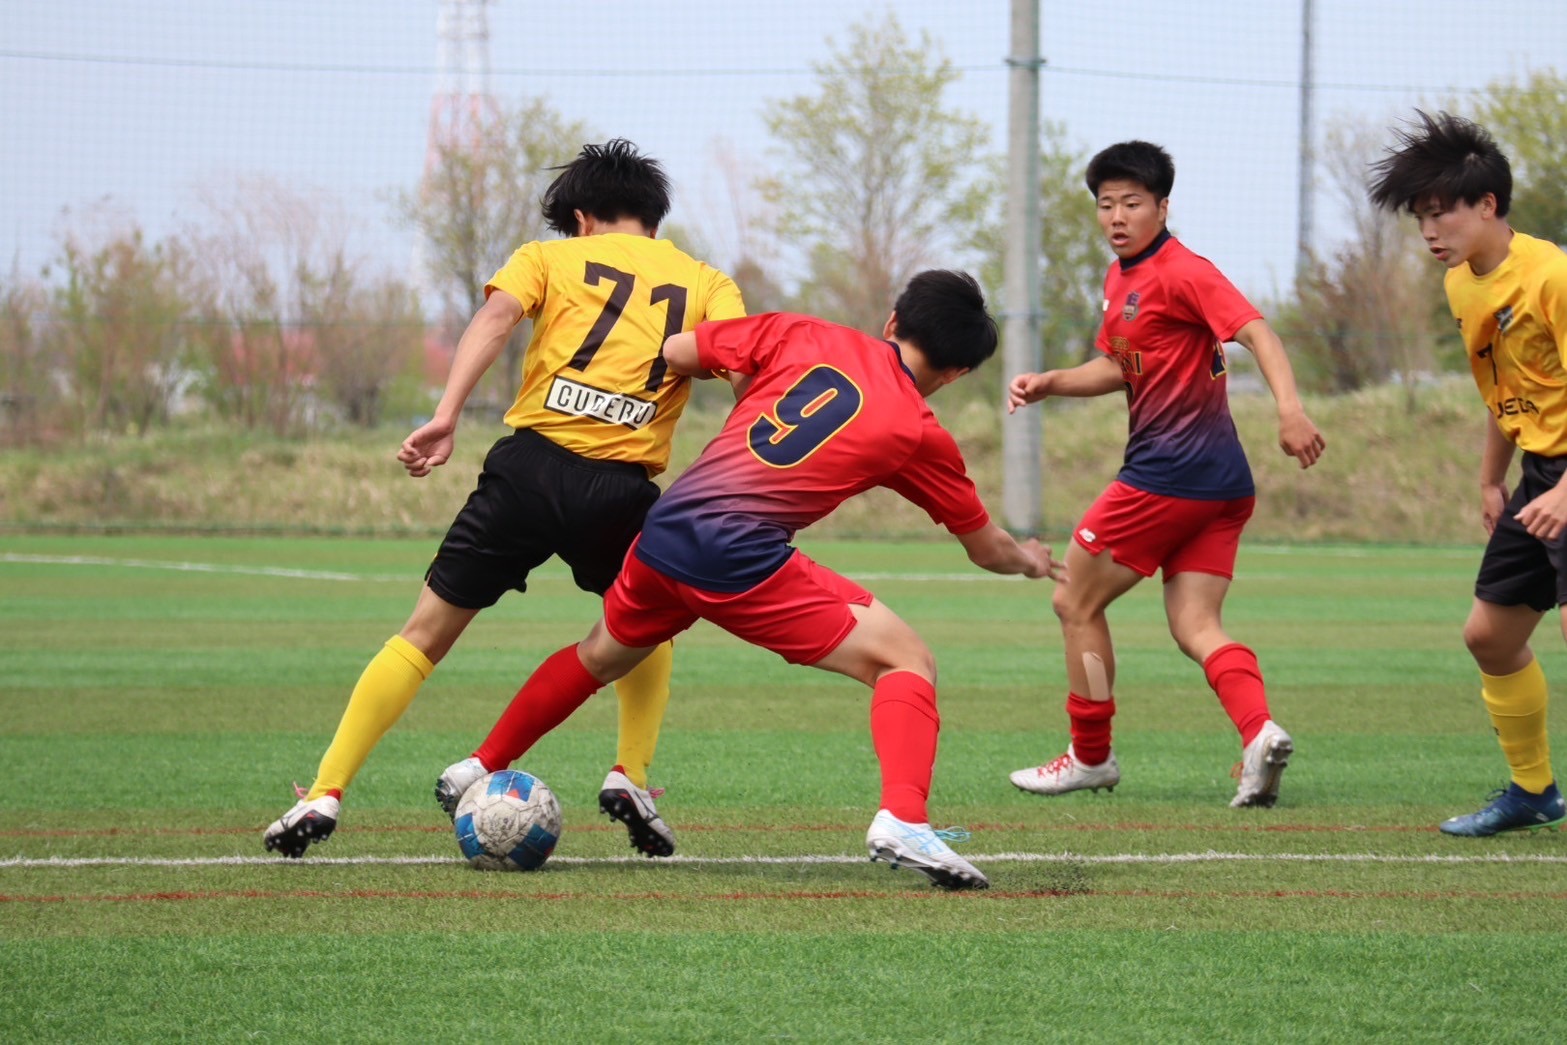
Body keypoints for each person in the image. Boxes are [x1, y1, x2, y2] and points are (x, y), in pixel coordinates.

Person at [434, 270, 1061, 890]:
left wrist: (750, 382)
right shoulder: (916, 430)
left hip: (666, 528)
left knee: (599, 655)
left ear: (893, 321)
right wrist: (1030, 560)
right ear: (955, 374)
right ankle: (904, 818)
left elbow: (679, 350)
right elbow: (986, 548)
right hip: (737, 553)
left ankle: (479, 764)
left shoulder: (803, 332)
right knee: (907, 660)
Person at [263, 139, 746, 859]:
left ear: (581, 218)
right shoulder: (707, 283)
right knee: (647, 624)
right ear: (653, 215)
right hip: (621, 491)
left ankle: (325, 791)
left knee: (422, 635)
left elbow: (493, 321)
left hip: (528, 472)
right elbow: (742, 369)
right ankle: (631, 772)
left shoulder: (547, 258)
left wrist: (446, 414)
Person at [1005, 140, 1325, 809]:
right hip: (1220, 485)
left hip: (1167, 476)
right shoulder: (1119, 278)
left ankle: (1090, 757)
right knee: (1194, 625)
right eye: (1106, 204)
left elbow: (1257, 332)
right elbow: (1119, 365)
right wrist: (1051, 382)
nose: (1117, 216)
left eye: (1132, 203)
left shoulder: (1183, 271)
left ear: (1162, 206)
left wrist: (1290, 411)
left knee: (1074, 601)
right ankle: (1259, 734)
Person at [1368, 111, 1567, 836]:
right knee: (1489, 636)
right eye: (1420, 217)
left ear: (1487, 204)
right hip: (1542, 473)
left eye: (1440, 213)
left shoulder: (1552, 276)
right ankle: (1533, 792)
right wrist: (1491, 479)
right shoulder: (1462, 284)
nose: (1429, 230)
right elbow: (1502, 386)